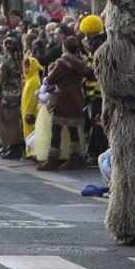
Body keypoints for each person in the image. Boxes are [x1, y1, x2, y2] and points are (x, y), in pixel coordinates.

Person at [37, 36, 87, 171]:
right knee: (73, 129)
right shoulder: (81, 62)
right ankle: (74, 158)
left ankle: (52, 160)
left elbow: (52, 79)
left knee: (56, 128)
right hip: (77, 96)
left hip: (64, 97)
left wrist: (47, 79)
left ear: (65, 48)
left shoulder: (63, 62)